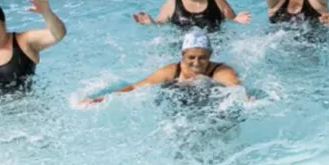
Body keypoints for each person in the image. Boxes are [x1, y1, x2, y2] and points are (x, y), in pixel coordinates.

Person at [82, 29, 243, 105]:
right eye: (191, 58)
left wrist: (245, 99)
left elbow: (235, 87)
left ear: (210, 55)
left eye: (203, 58)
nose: (196, 63)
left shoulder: (220, 70)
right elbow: (135, 87)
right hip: (180, 98)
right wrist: (100, 99)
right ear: (182, 55)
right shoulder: (172, 71)